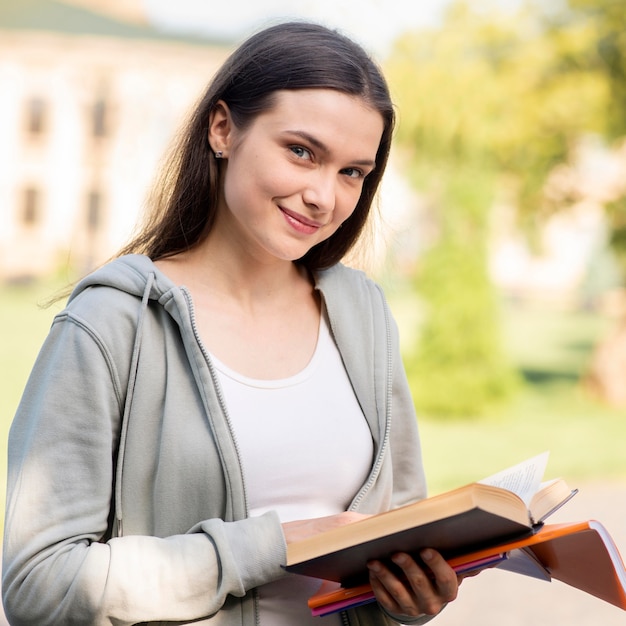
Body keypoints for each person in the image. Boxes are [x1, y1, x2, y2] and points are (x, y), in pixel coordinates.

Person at [2, 21, 461, 626]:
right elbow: (39, 584)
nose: (325, 195)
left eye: (353, 172)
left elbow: (396, 531)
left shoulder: (363, 314)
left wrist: (411, 600)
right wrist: (271, 545)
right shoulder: (112, 323)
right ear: (223, 129)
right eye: (302, 152)